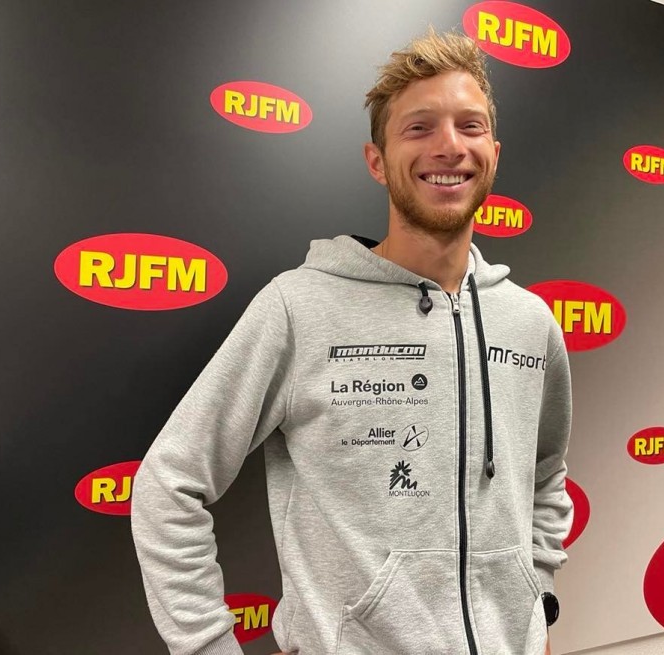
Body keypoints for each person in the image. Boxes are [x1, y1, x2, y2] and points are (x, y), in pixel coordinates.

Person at [131, 29, 572, 655]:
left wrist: (538, 605)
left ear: (493, 153)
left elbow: (546, 475)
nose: (450, 146)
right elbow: (168, 486)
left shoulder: (530, 322)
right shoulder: (299, 308)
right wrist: (207, 645)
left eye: (469, 126)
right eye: (419, 128)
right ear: (376, 161)